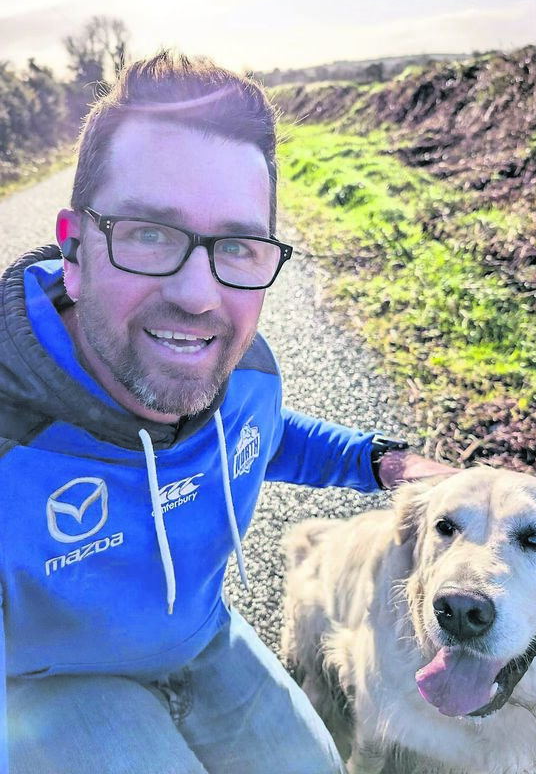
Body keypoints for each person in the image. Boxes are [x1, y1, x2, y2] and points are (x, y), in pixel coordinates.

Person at [0, 50, 454, 774]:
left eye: (237, 246)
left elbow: (257, 434)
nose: (198, 297)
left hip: (206, 639)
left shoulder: (242, 366)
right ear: (75, 248)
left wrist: (376, 461)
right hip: (49, 690)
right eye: (149, 232)